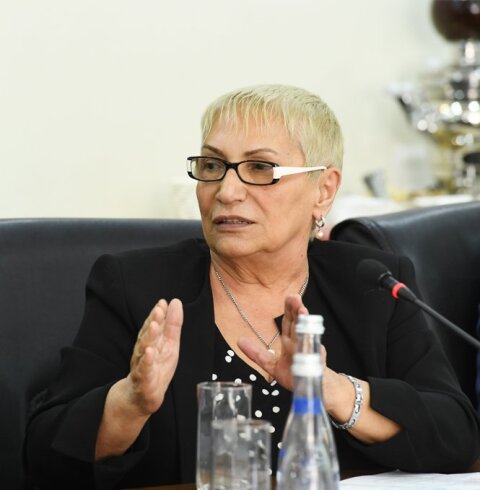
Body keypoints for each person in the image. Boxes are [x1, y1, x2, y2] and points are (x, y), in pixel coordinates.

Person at [25, 84, 480, 489]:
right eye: (212, 165)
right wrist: (131, 401)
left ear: (323, 190)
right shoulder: (137, 286)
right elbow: (44, 458)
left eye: (261, 168)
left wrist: (331, 389)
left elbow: (456, 435)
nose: (226, 191)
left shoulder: (372, 284)